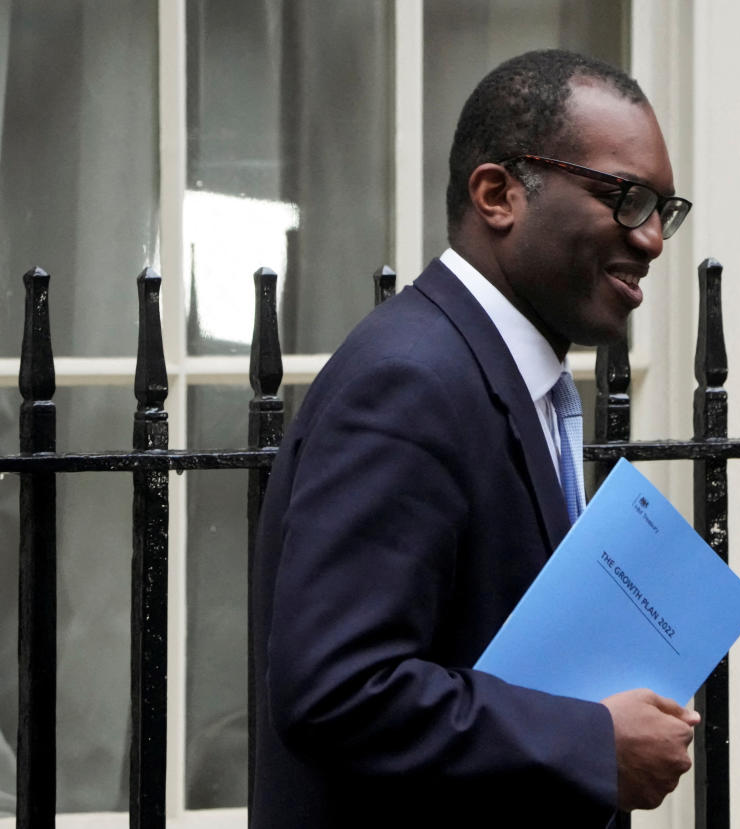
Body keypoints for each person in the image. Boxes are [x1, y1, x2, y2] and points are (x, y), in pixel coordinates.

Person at [250, 49, 696, 827]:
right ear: (497, 195)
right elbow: (337, 689)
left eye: (664, 208)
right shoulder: (410, 381)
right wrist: (592, 739)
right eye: (626, 199)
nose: (653, 239)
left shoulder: (513, 381)